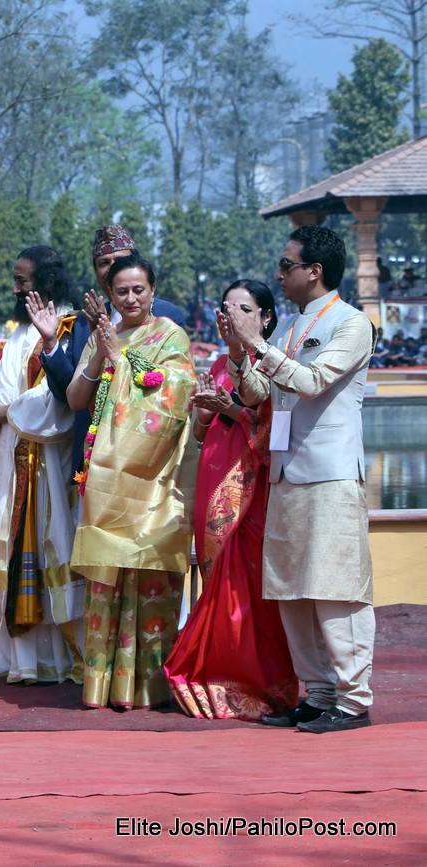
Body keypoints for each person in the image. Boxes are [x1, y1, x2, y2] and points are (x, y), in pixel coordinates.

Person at [221, 225, 376, 734]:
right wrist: (241, 352)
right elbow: (254, 395)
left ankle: (353, 699)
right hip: (286, 473)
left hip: (330, 473)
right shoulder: (288, 326)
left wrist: (256, 344)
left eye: (287, 266)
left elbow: (312, 383)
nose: (279, 274)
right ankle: (320, 693)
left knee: (336, 588)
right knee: (294, 591)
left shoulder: (352, 324)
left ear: (316, 271)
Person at [66, 254, 196, 710]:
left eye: (138, 289)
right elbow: (76, 398)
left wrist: (123, 360)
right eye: (122, 291)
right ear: (110, 295)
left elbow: (175, 394)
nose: (131, 298)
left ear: (153, 290)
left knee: (148, 573)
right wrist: (103, 353)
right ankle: (104, 683)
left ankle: (146, 684)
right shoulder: (106, 335)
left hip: (152, 477)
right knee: (107, 573)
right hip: (106, 478)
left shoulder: (170, 335)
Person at [163, 280, 298, 720]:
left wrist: (232, 408)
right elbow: (203, 433)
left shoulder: (275, 366)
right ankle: (217, 672)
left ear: (266, 319)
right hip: (214, 472)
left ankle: (255, 680)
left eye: (244, 308)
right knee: (212, 574)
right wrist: (205, 414)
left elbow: (269, 432)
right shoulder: (221, 361)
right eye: (227, 307)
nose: (233, 315)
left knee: (245, 585)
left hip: (249, 485)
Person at [0, 247, 82, 684]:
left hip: (44, 465)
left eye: (22, 281)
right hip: (7, 460)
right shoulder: (22, 332)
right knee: (3, 559)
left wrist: (9, 412)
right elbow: (0, 387)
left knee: (48, 555)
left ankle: (52, 662)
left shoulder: (67, 328)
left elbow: (56, 404)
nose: (15, 288)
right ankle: (15, 661)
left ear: (45, 282)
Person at [42, 224, 186, 480]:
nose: (112, 267)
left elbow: (173, 391)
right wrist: (52, 344)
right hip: (95, 455)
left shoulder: (169, 319)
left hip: (147, 455)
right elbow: (71, 396)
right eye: (103, 262)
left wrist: (117, 354)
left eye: (120, 260)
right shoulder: (86, 323)